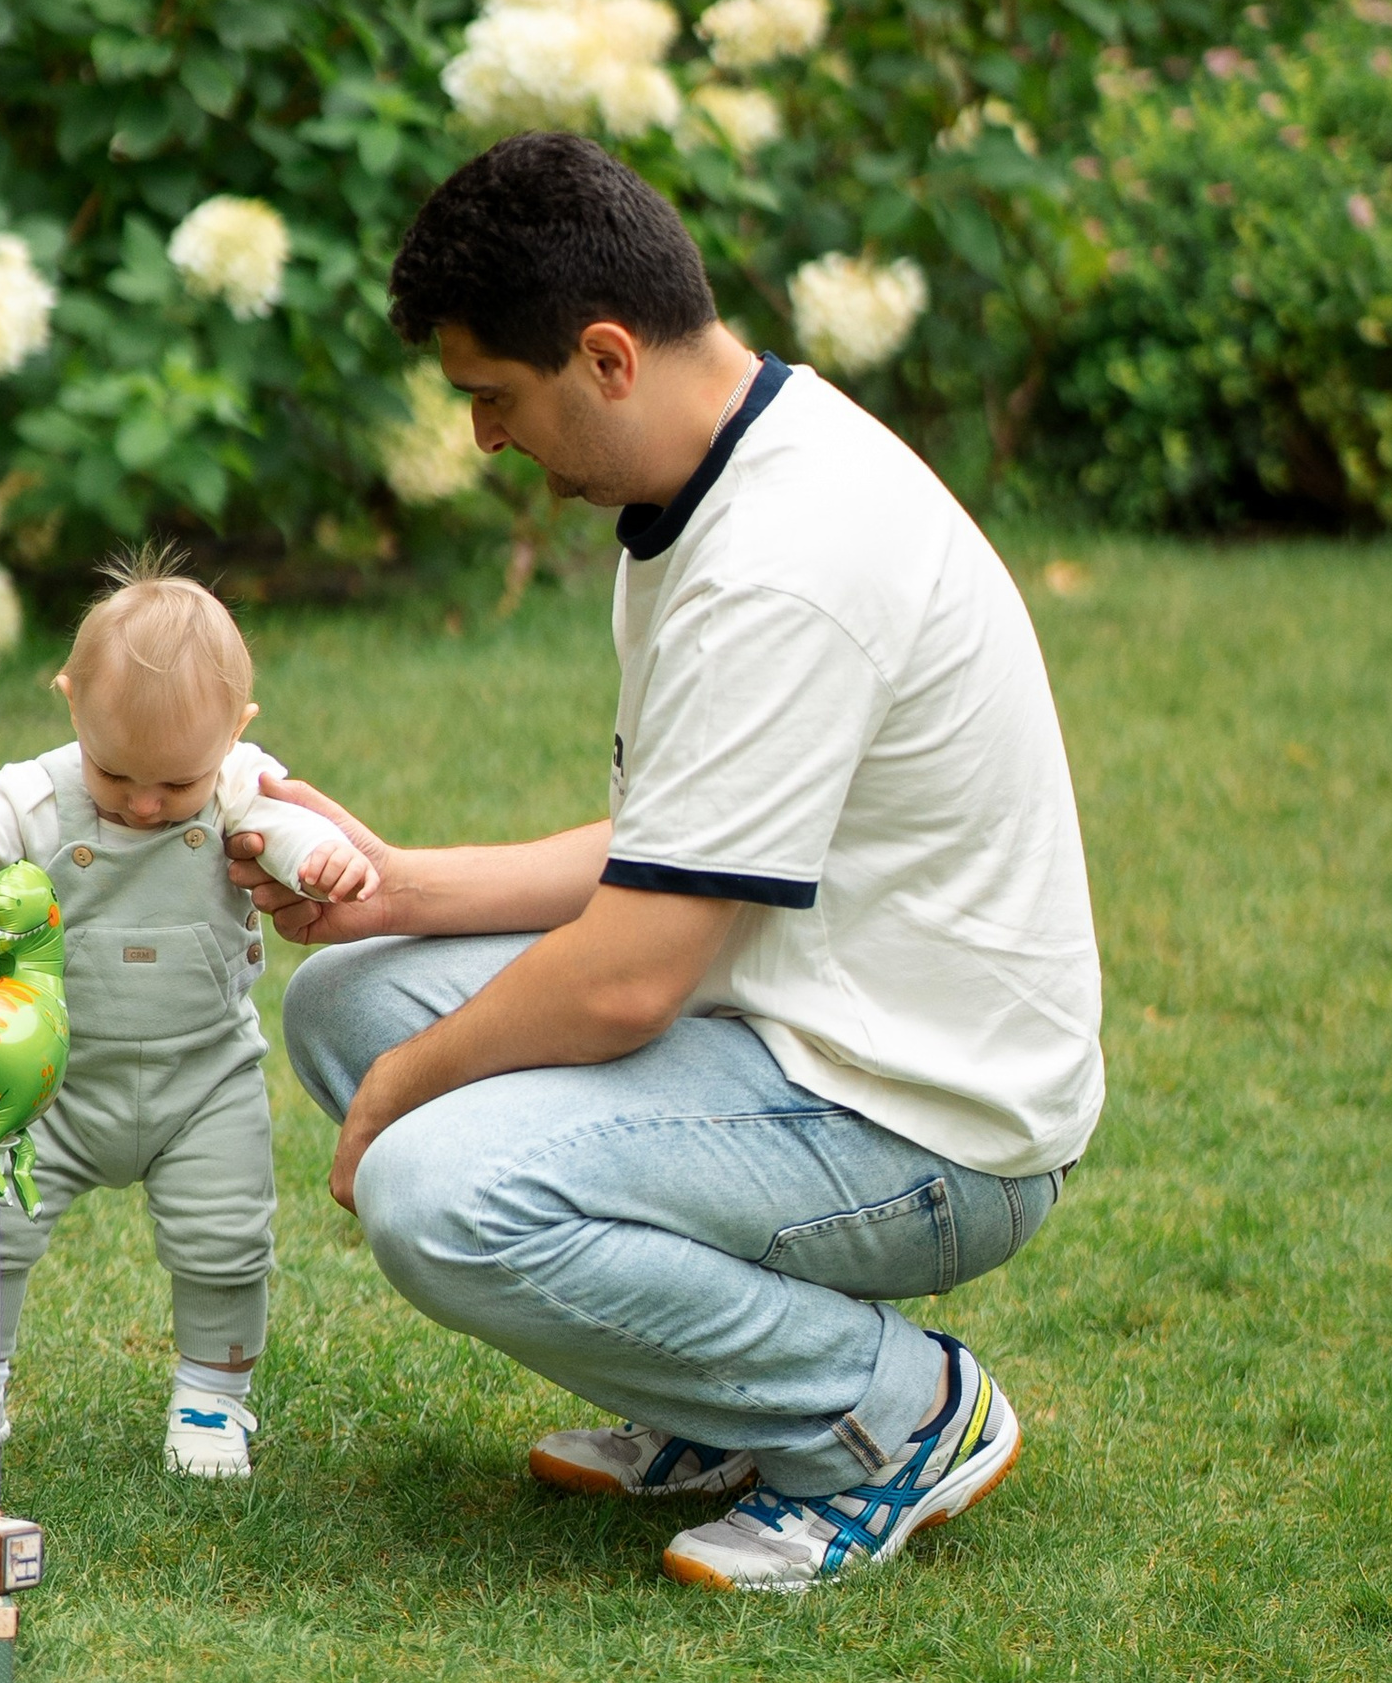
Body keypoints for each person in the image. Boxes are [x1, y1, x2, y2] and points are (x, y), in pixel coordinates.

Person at [231, 133, 1105, 1592]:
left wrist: (405, 1094)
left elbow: (635, 975)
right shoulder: (726, 469)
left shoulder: (786, 559)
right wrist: (403, 891)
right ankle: (715, 1404)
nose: (484, 442)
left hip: (931, 1123)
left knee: (437, 1185)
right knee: (351, 999)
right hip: (793, 1035)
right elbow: (682, 848)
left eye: (494, 400)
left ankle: (892, 1418)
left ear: (608, 357)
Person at [0, 552, 377, 1480]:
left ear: (237, 731)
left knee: (226, 1234)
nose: (147, 805)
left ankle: (212, 1395)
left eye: (176, 787)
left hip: (205, 1079)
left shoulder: (236, 783)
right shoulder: (35, 793)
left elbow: (296, 824)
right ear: (71, 702)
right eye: (118, 777)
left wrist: (324, 860)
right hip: (52, 1081)